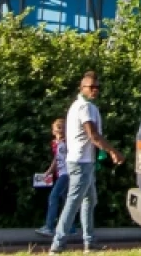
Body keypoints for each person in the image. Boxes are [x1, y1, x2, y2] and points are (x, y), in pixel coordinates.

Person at [51, 71, 125, 254]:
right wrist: (113, 151)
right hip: (81, 163)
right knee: (73, 202)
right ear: (81, 88)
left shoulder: (78, 106)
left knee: (89, 200)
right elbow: (93, 135)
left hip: (83, 162)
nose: (95, 90)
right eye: (90, 87)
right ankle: (57, 245)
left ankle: (89, 243)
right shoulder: (84, 107)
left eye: (97, 87)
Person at [36, 119, 70, 237]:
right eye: (58, 127)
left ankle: (49, 227)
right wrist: (48, 172)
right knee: (66, 200)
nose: (60, 130)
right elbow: (56, 159)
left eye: (62, 127)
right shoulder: (56, 143)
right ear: (53, 130)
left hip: (67, 174)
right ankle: (70, 228)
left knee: (53, 196)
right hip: (61, 174)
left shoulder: (68, 142)